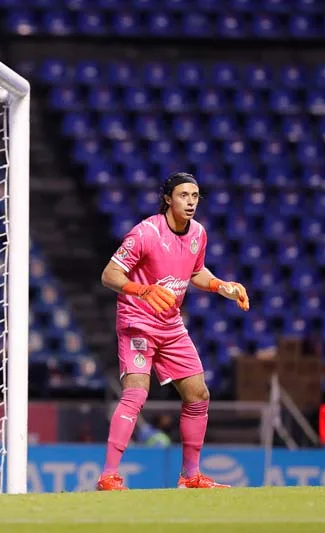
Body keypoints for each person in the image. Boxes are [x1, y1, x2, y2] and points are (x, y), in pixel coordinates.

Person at [96, 172, 250, 490]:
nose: (191, 202)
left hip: (170, 324)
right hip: (137, 321)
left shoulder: (198, 233)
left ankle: (190, 476)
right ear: (168, 198)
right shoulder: (145, 233)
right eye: (183, 195)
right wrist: (141, 290)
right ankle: (108, 475)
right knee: (136, 393)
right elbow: (109, 275)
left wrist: (223, 286)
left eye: (195, 196)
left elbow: (196, 271)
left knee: (198, 394)